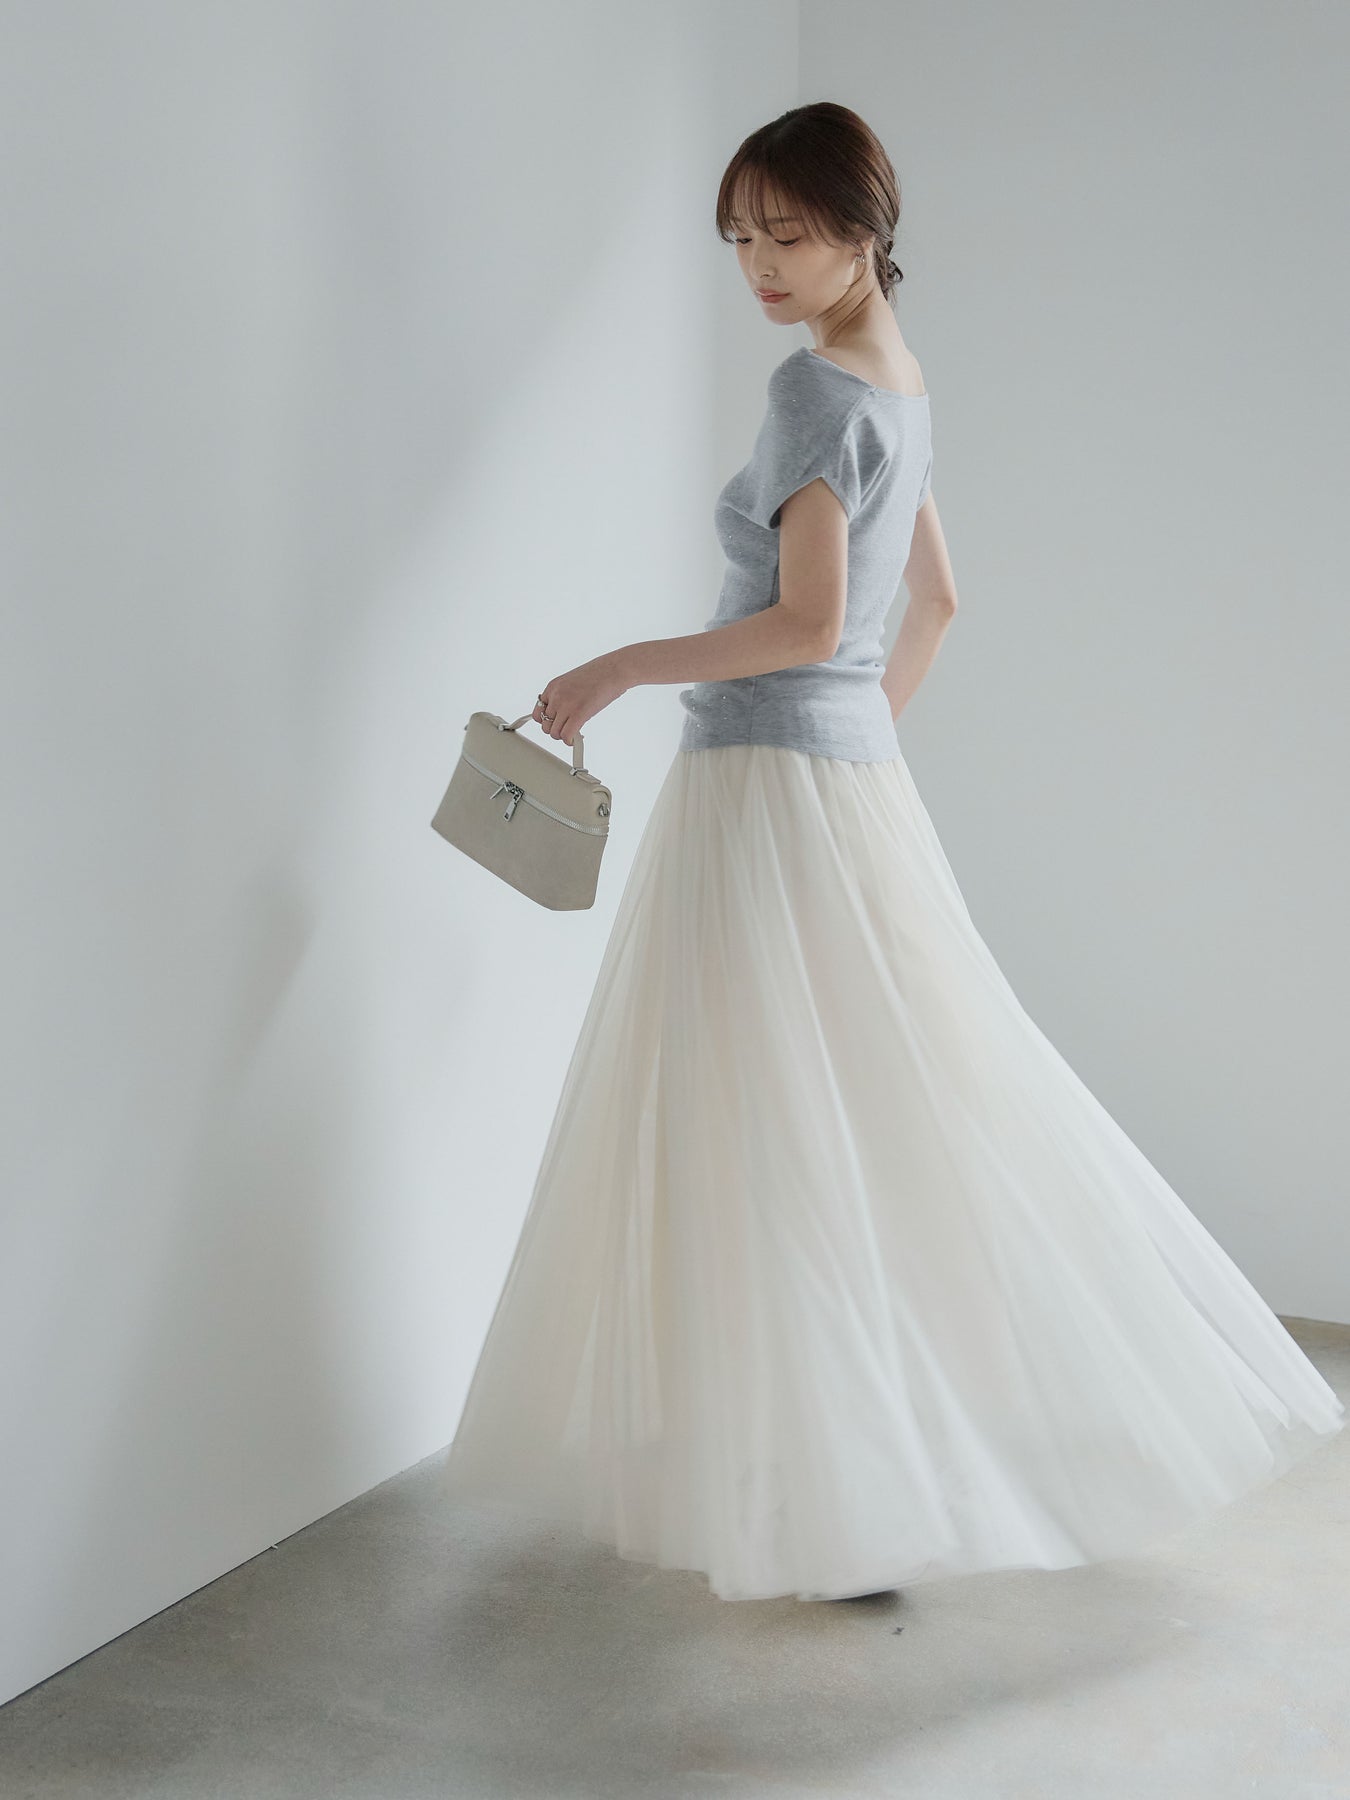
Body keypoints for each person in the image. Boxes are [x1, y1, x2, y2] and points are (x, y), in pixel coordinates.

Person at [441, 103, 1344, 1604]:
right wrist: (853, 747)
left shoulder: (813, 391)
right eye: (740, 236)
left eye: (788, 235)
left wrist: (621, 667)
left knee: (766, 1120)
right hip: (843, 783)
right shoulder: (899, 380)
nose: (759, 265)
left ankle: (828, 1492)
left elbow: (805, 623)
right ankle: (851, 1477)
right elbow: (935, 603)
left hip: (758, 787)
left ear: (866, 230)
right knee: (855, 1111)